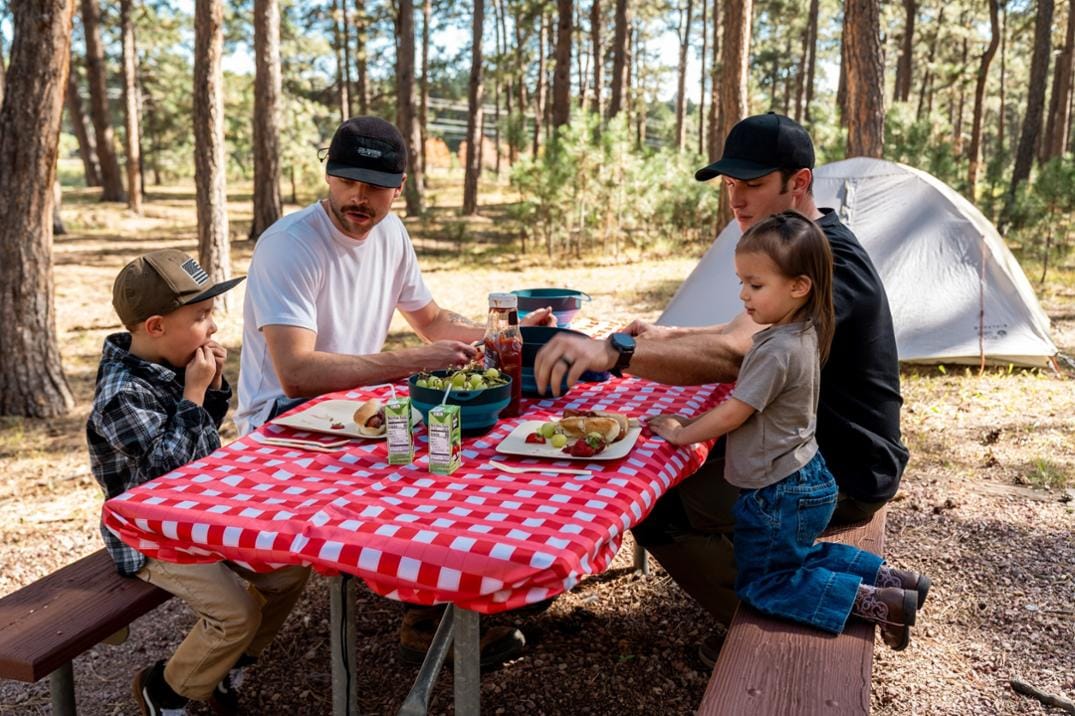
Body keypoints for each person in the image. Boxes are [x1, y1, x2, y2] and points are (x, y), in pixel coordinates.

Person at [533, 112, 910, 665]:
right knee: (665, 467)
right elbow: (745, 334)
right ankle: (863, 587)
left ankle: (764, 629)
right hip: (804, 450)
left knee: (660, 505)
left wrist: (616, 353)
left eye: (752, 184)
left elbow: (738, 353)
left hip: (842, 468)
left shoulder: (829, 258)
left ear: (799, 182)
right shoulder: (806, 245)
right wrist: (670, 333)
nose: (736, 199)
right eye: (731, 184)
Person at [237, 116, 553, 668]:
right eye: (348, 180)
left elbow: (430, 321)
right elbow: (296, 374)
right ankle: (435, 611)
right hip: (283, 425)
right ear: (329, 175)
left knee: (466, 448)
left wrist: (506, 333)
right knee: (435, 463)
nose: (359, 197)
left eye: (376, 185)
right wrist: (409, 363)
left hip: (354, 410)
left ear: (398, 188)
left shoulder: (390, 233)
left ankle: (446, 608)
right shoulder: (289, 245)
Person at [647, 211, 928, 649]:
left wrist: (682, 432)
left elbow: (733, 414)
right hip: (806, 477)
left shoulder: (775, 350)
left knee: (766, 581)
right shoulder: (805, 331)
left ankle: (877, 602)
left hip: (775, 493)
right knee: (795, 556)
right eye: (742, 282)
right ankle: (890, 578)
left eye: (755, 285)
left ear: (799, 286)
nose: (743, 295)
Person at [87, 249, 310, 715]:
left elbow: (198, 441)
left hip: (196, 515)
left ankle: (225, 669)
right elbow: (164, 477)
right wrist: (193, 392)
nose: (212, 326)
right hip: (146, 533)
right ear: (155, 326)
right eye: (201, 315)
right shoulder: (120, 395)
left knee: (289, 570)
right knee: (235, 614)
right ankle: (165, 693)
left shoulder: (169, 360)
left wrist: (209, 390)